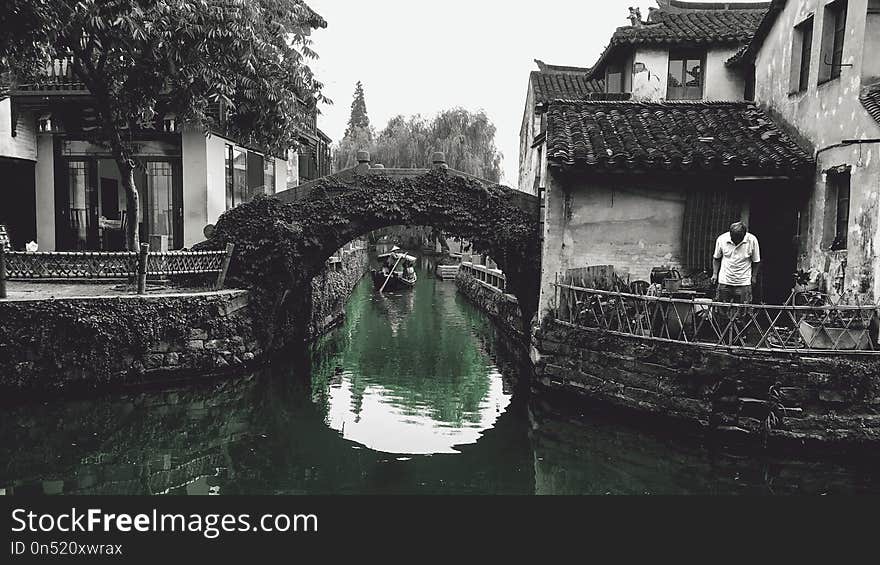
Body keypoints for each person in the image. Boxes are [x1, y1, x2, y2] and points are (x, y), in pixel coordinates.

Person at [711, 222, 761, 304]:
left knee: (743, 311)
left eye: (739, 239)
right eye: (734, 238)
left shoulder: (752, 240)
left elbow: (756, 261)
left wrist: (754, 277)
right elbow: (716, 258)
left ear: (744, 235)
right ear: (730, 234)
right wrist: (715, 274)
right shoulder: (722, 239)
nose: (736, 241)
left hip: (744, 282)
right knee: (722, 310)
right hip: (725, 281)